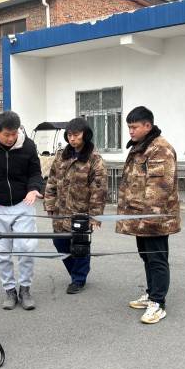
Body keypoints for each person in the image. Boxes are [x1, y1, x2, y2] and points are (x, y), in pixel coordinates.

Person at [0, 111, 44, 310]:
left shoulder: (28, 145)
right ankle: (10, 290)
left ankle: (25, 289)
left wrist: (34, 189)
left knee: (27, 248)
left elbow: (35, 173)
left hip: (23, 204)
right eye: (7, 135)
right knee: (1, 251)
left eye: (14, 133)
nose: (11, 138)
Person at [117, 106, 180, 324]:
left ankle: (158, 303)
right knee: (146, 256)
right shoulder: (141, 147)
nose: (130, 131)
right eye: (129, 127)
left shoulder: (160, 149)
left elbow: (159, 188)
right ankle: (151, 293)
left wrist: (149, 219)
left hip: (154, 219)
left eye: (134, 127)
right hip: (140, 218)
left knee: (157, 259)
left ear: (147, 125)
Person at [43, 118, 107, 294]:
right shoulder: (62, 155)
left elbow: (99, 189)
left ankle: (78, 279)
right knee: (59, 243)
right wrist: (49, 204)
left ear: (85, 135)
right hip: (61, 210)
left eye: (76, 135)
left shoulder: (94, 158)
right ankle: (76, 271)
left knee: (80, 246)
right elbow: (52, 180)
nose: (72, 138)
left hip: (81, 212)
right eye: (69, 135)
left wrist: (95, 216)